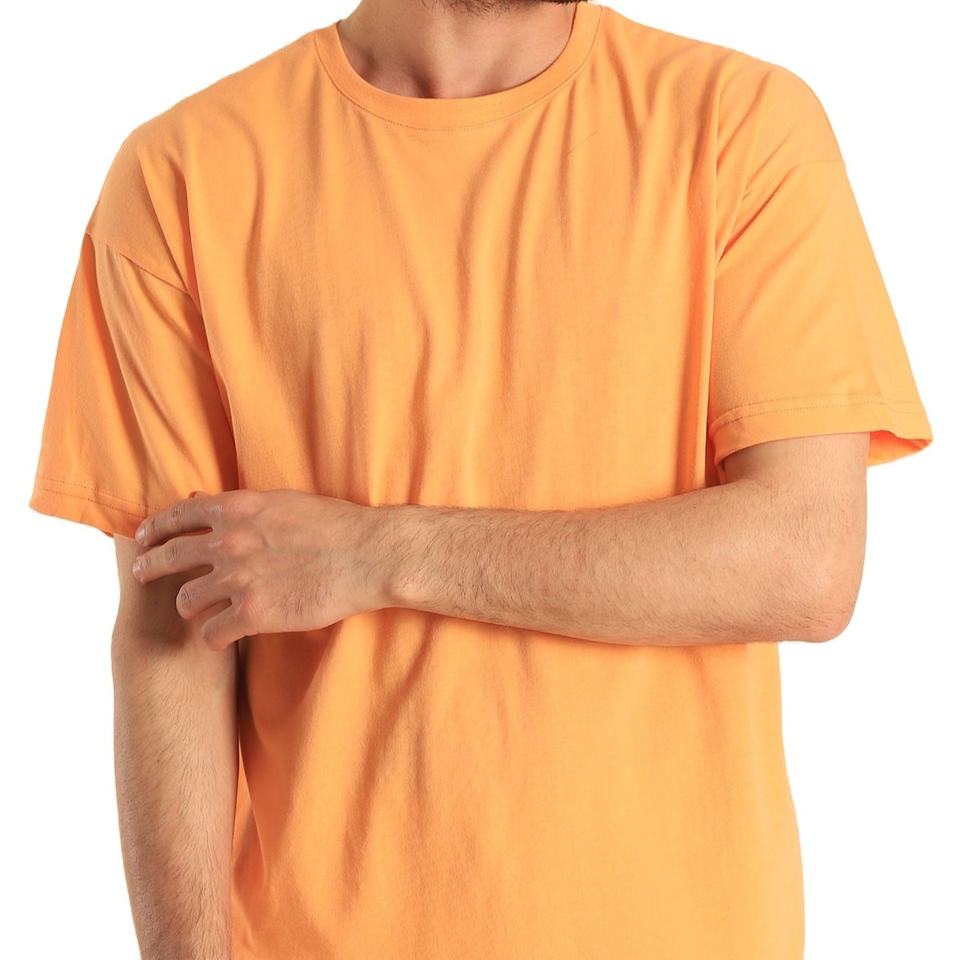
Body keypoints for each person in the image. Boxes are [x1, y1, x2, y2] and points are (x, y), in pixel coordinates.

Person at [27, 1, 933, 957]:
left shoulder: (739, 127)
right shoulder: (183, 175)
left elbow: (804, 561)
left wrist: (382, 553)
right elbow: (173, 624)